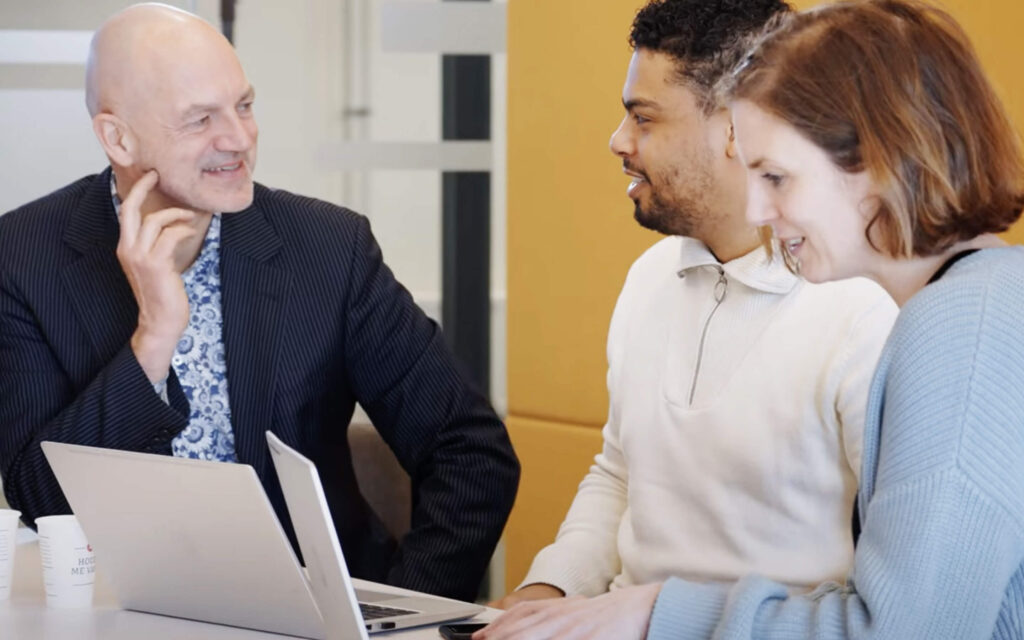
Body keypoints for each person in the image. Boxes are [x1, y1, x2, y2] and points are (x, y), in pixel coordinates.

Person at [477, 0, 1024, 637]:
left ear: (879, 160)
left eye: (777, 177)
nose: (759, 211)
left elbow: (904, 631)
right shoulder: (970, 307)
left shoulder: (957, 333)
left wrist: (657, 612)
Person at [0, 3, 519, 602]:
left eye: (244, 106)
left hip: (322, 610)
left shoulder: (328, 248)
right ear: (118, 137)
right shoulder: (23, 258)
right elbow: (41, 497)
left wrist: (403, 610)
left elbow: (471, 453)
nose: (239, 138)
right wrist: (153, 340)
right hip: (119, 611)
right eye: (200, 120)